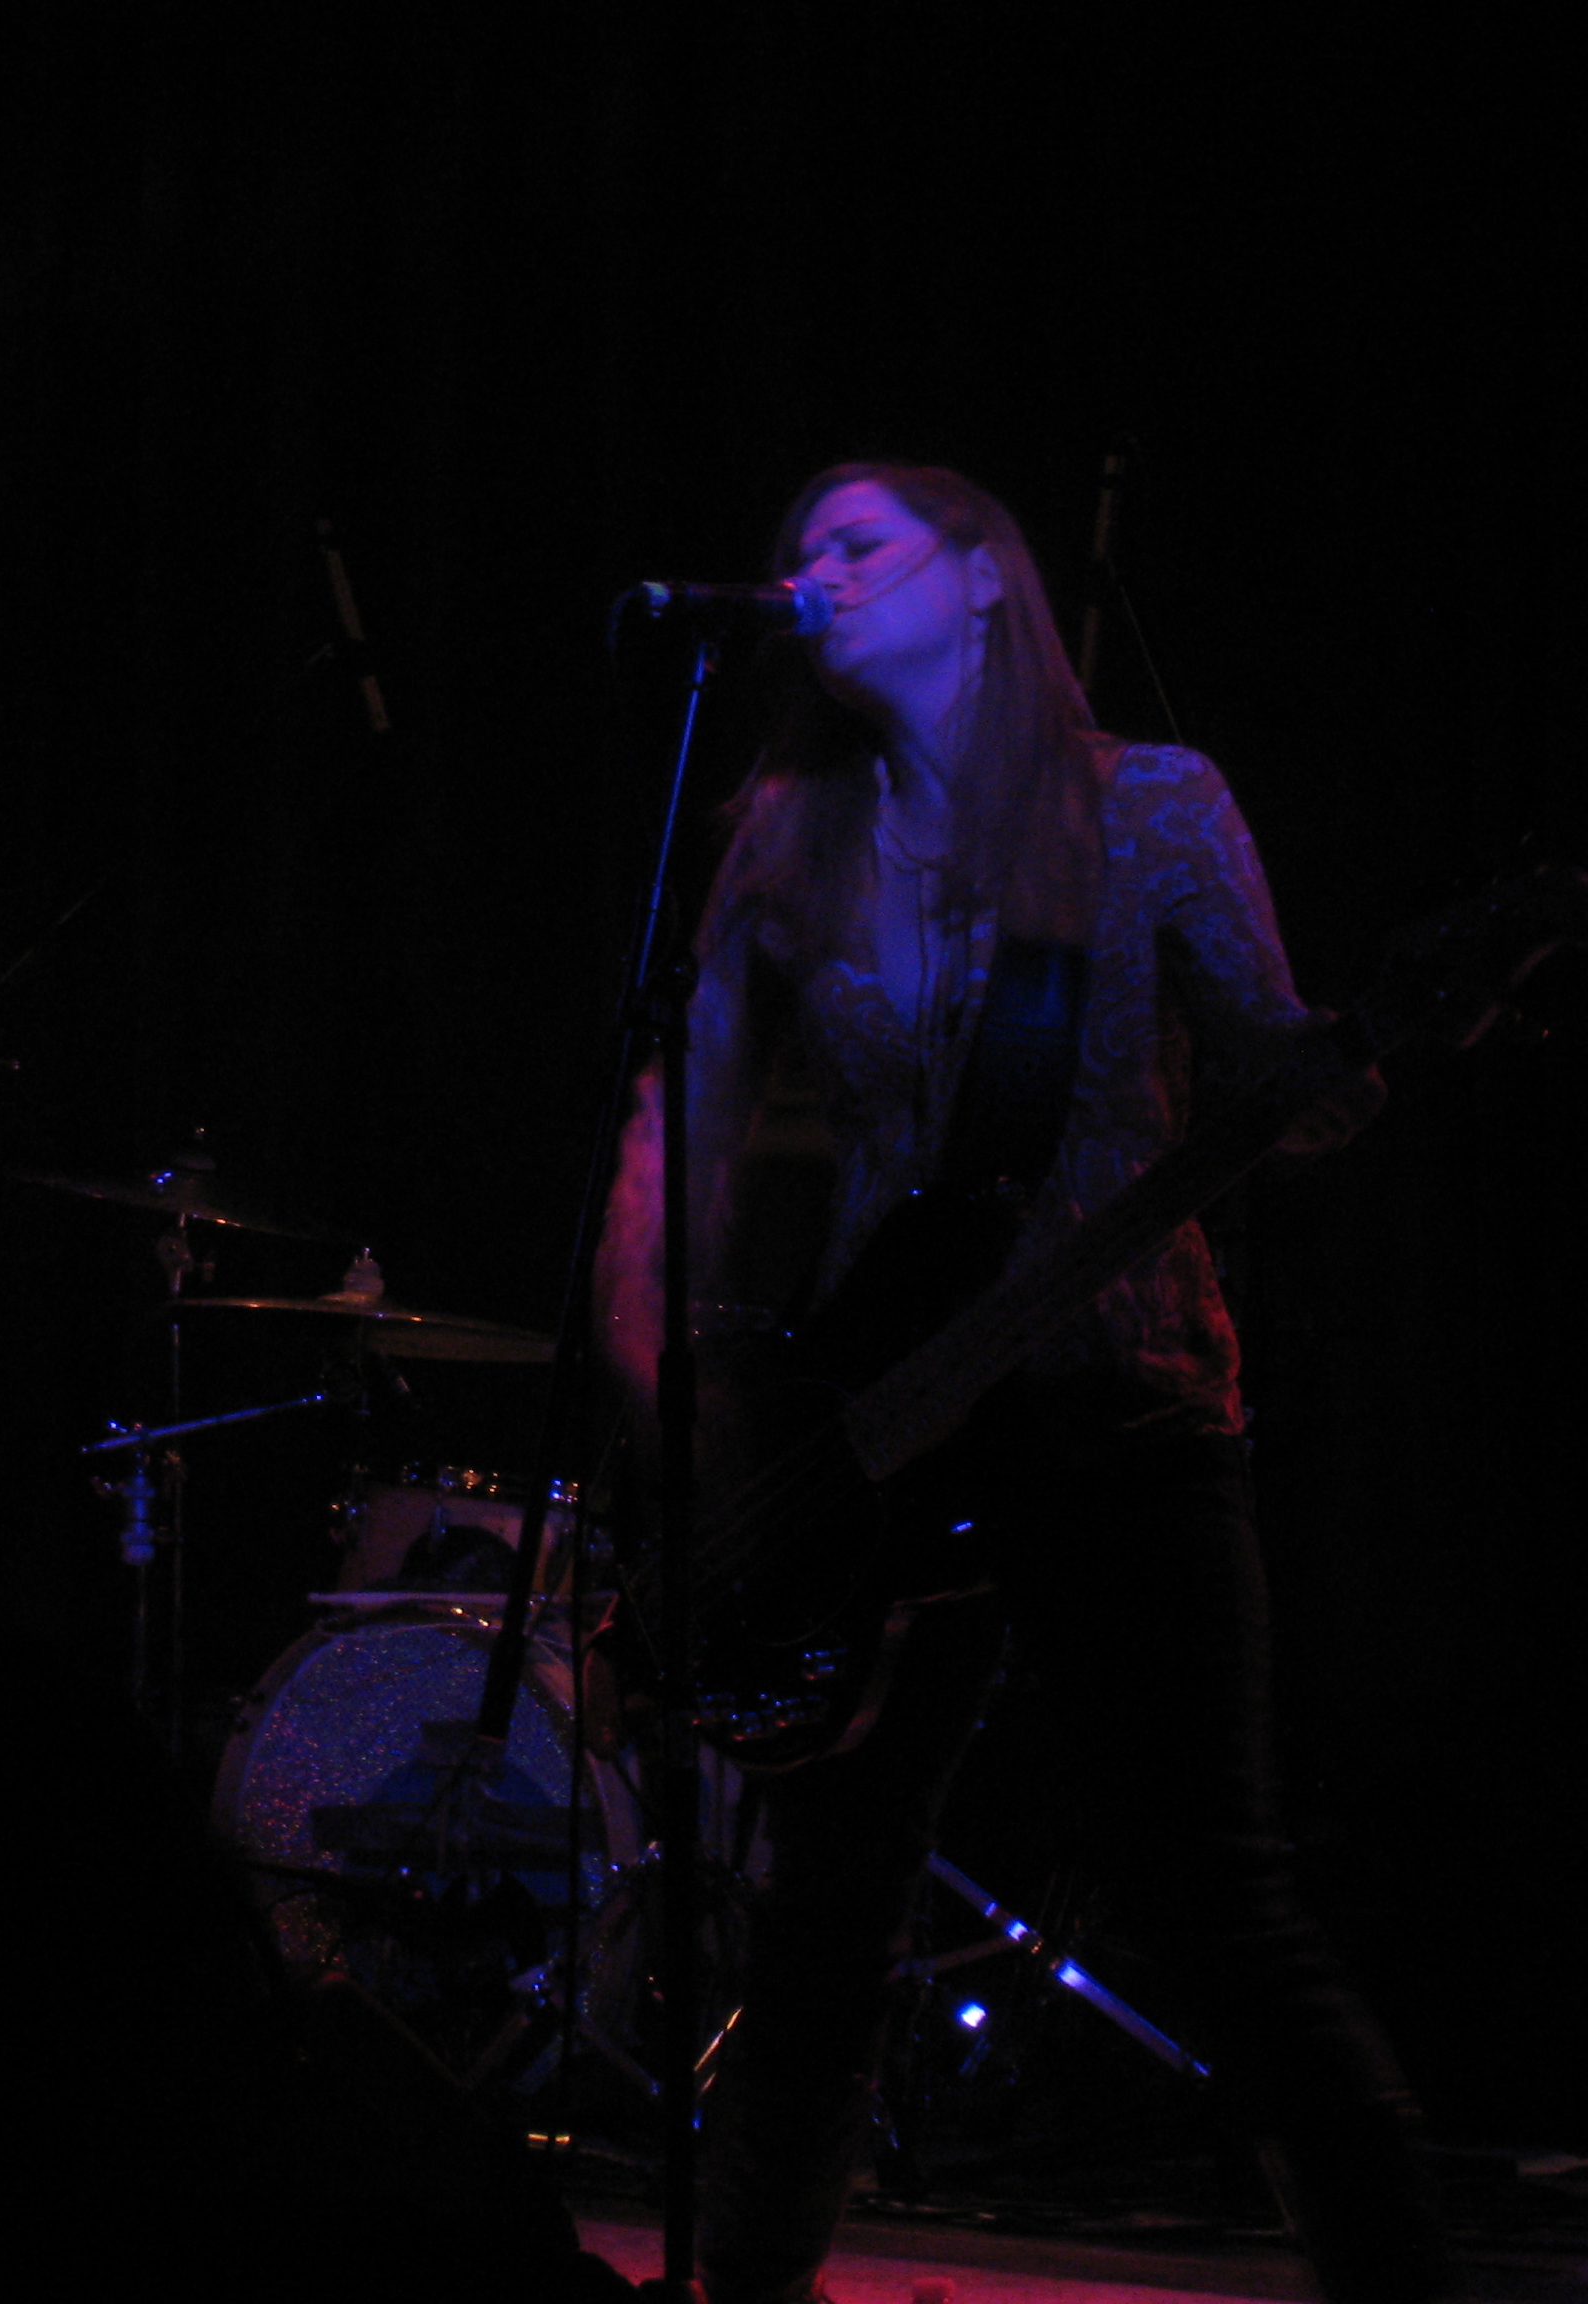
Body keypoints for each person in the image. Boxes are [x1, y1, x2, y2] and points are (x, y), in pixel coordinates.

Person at [595, 464, 1441, 2304]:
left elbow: (1283, 1078)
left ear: (985, 580)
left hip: (1117, 1412)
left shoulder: (1144, 807)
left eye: (858, 544)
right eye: (798, 554)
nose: (812, 575)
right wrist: (677, 1376)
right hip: (878, 1433)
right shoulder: (791, 830)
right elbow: (696, 1111)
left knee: (1223, 1906)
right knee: (819, 1925)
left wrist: (1338, 1074)